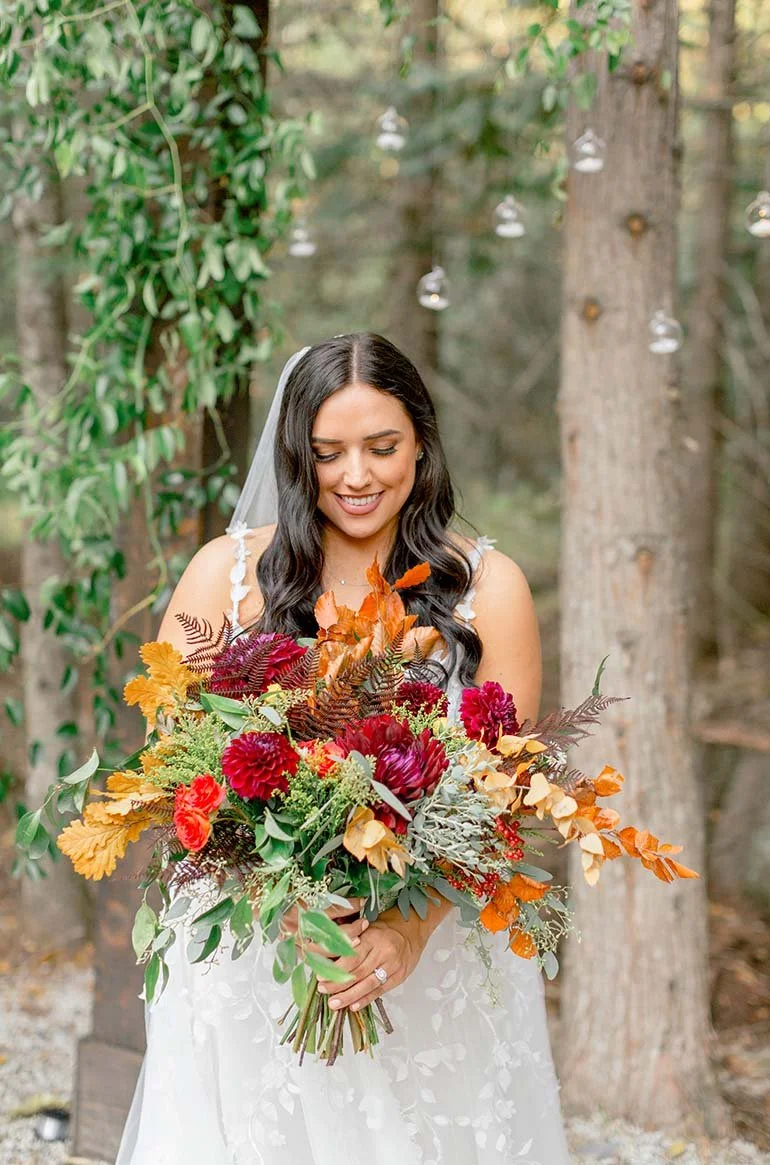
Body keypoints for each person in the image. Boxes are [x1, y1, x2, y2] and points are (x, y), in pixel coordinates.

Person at [115, 333, 570, 1165]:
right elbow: (171, 775)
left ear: (423, 442)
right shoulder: (227, 577)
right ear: (296, 455)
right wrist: (276, 885)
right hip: (259, 957)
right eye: (328, 453)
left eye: (382, 447)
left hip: (425, 960)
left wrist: (405, 932)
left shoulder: (487, 590)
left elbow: (505, 796)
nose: (356, 475)